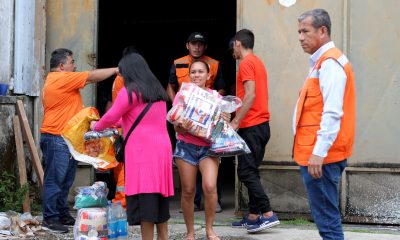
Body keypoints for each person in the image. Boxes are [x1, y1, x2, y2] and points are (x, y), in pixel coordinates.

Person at [90, 52, 174, 240]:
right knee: (160, 198)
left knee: (146, 201)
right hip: (162, 149)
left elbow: (112, 115)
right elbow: (137, 118)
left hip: (142, 151)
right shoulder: (157, 90)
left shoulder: (129, 92)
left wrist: (96, 126)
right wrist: (117, 123)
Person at [40, 48, 118, 233]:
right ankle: (50, 219)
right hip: (56, 137)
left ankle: (61, 213)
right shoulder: (60, 78)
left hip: (65, 138)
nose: (74, 65)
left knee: (66, 180)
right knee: (55, 180)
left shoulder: (59, 80)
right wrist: (116, 70)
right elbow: (91, 76)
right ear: (62, 66)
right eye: (72, 62)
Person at [294, 9, 356, 240]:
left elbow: (332, 112)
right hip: (319, 155)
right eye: (299, 32)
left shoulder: (329, 63)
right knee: (326, 218)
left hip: (321, 157)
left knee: (328, 222)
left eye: (305, 31)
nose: (300, 37)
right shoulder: (322, 62)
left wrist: (318, 153)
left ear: (323, 31)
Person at [230, 29, 280, 233]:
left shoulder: (246, 63)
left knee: (245, 171)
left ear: (238, 44)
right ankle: (252, 216)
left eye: (232, 46)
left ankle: (268, 214)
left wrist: (236, 121)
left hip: (252, 126)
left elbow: (250, 95)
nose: (231, 50)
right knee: (251, 170)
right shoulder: (257, 62)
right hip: (260, 126)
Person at [168, 32, 224, 213]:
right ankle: (192, 205)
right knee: (188, 188)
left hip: (207, 124)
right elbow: (170, 86)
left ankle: (215, 202)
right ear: (187, 45)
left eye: (200, 44)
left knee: (210, 183)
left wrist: (213, 107)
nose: (197, 47)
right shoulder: (177, 62)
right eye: (193, 43)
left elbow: (222, 87)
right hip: (186, 129)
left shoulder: (214, 64)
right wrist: (177, 108)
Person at [173, 60, 229, 240]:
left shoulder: (216, 98)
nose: (197, 75)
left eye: (201, 72)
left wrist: (225, 118)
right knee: (188, 191)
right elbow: (176, 127)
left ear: (209, 75)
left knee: (209, 186)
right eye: (194, 72)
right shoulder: (183, 94)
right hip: (186, 146)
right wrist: (182, 126)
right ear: (189, 76)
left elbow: (222, 129)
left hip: (208, 148)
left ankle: (209, 230)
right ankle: (190, 233)